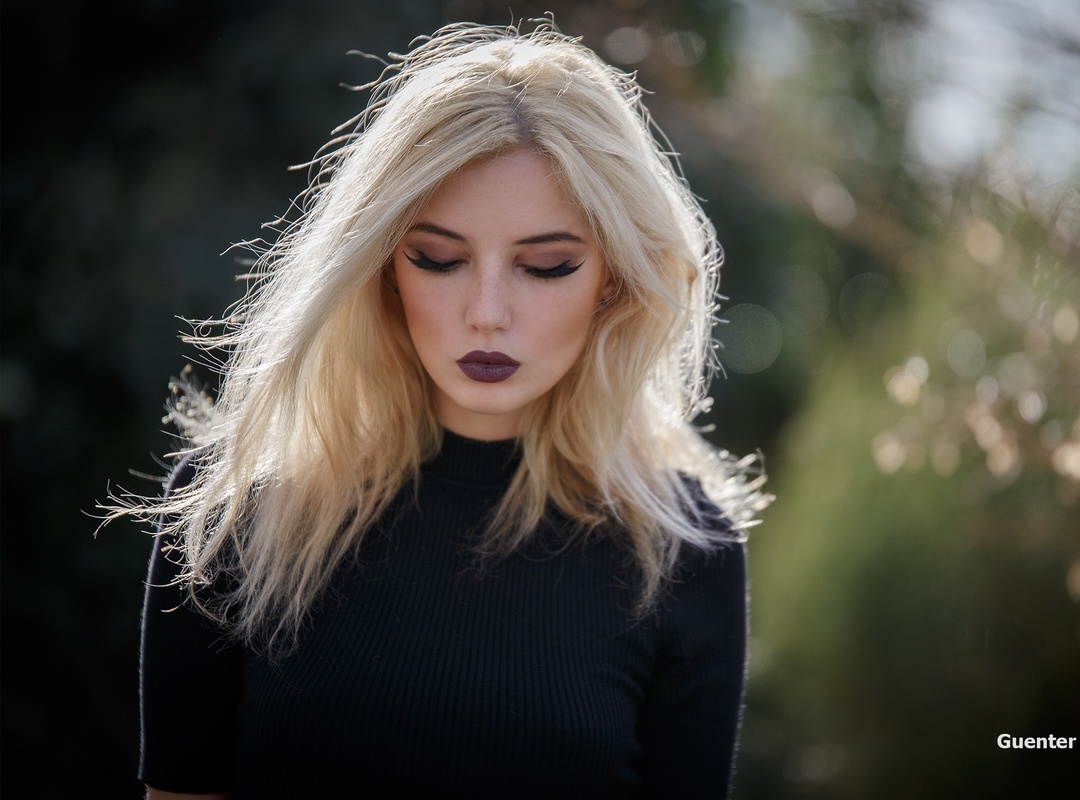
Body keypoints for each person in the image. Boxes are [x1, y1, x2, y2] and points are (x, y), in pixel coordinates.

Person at [115, 18, 770, 800]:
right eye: (438, 258)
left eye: (546, 266)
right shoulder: (234, 514)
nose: (486, 312)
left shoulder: (683, 554)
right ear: (384, 265)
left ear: (617, 280)